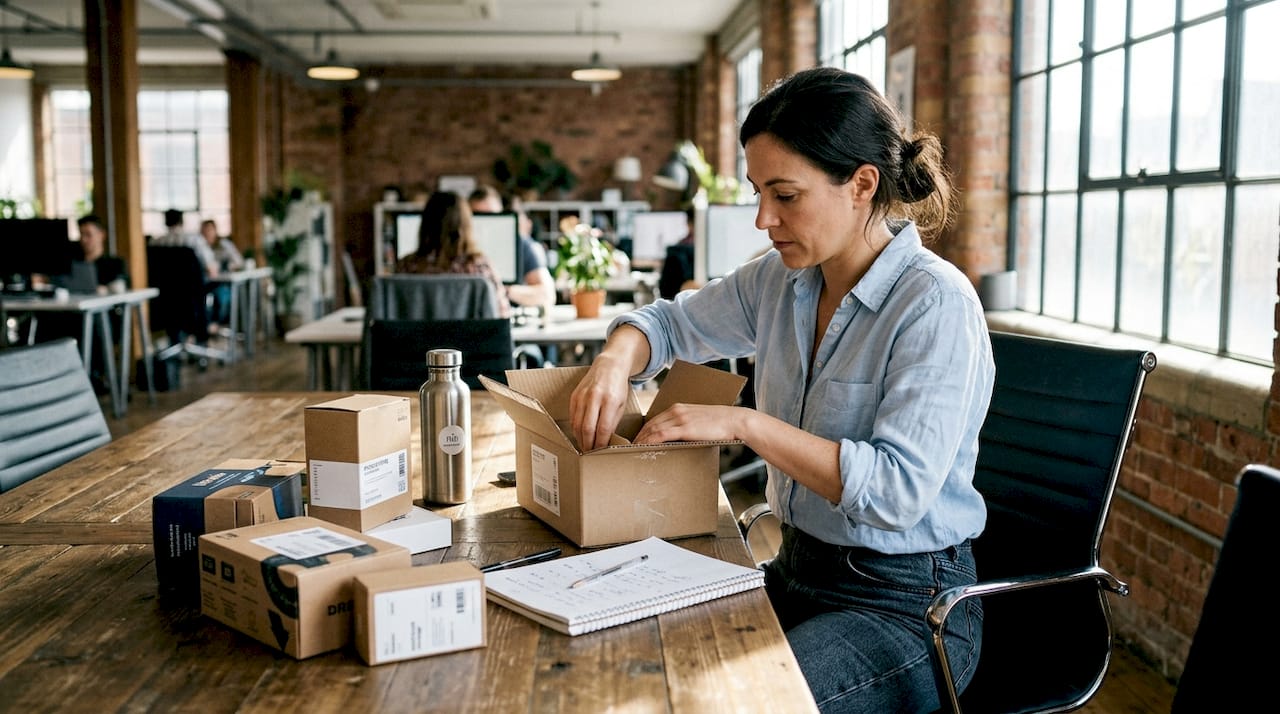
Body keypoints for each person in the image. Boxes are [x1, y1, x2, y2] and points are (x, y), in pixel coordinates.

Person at [567, 67, 995, 714]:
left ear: (861, 184)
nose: (764, 218)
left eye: (785, 195)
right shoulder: (780, 281)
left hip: (909, 611)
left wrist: (743, 425)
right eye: (758, 192)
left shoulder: (934, 303)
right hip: (796, 572)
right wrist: (612, 360)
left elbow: (896, 491)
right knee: (637, 654)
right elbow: (672, 323)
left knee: (736, 704)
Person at [397, 190, 510, 318]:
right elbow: (502, 316)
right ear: (466, 226)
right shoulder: (479, 266)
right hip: (469, 338)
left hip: (416, 338)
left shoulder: (406, 266)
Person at [468, 184, 556, 311]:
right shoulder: (458, 246)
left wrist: (502, 291)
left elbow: (546, 294)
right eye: (478, 216)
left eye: (492, 216)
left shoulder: (521, 244)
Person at [151, 208, 220, 280]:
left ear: (165, 222)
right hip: (193, 287)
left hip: (163, 285)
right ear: (182, 221)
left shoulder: (155, 242)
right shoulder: (194, 240)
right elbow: (211, 270)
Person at [201, 218, 243, 327]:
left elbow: (238, 261)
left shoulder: (224, 245)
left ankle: (215, 324)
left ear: (215, 231)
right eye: (204, 230)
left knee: (222, 296)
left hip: (222, 281)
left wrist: (226, 266)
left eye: (209, 230)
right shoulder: (200, 246)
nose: (207, 233)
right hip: (204, 282)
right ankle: (203, 327)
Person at [76, 214, 129, 293]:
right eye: (81, 234)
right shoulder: (73, 265)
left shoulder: (116, 264)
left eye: (88, 234)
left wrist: (106, 290)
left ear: (101, 235)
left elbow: (122, 289)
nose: (83, 240)